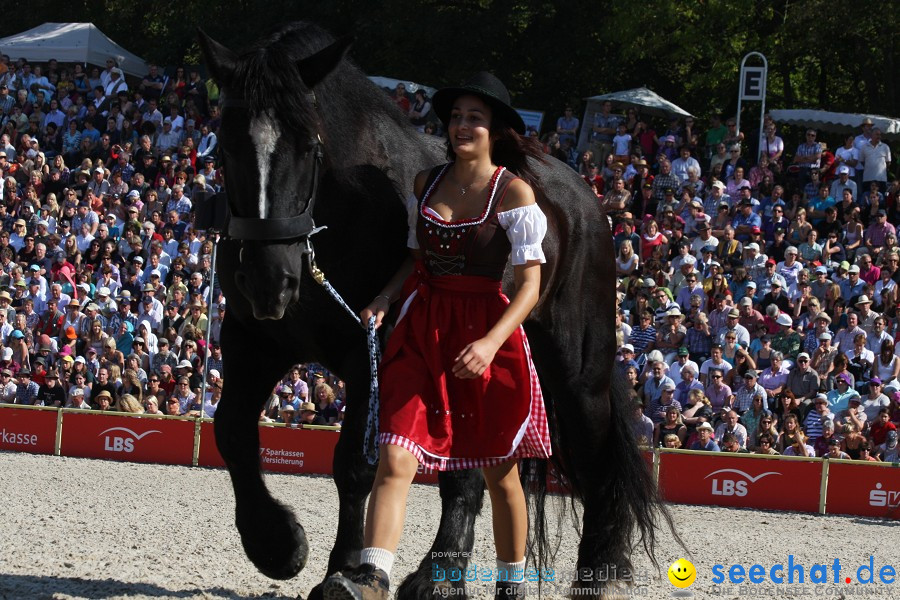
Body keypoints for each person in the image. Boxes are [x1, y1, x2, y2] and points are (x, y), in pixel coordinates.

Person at [324, 72, 550, 600]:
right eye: (455, 117)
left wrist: (492, 343)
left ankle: (511, 587)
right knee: (396, 455)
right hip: (423, 328)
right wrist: (384, 298)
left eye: (474, 118)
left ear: (495, 130)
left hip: (486, 335)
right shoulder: (425, 182)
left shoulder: (514, 191)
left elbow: (529, 286)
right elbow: (416, 260)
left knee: (501, 477)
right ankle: (373, 577)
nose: (462, 126)